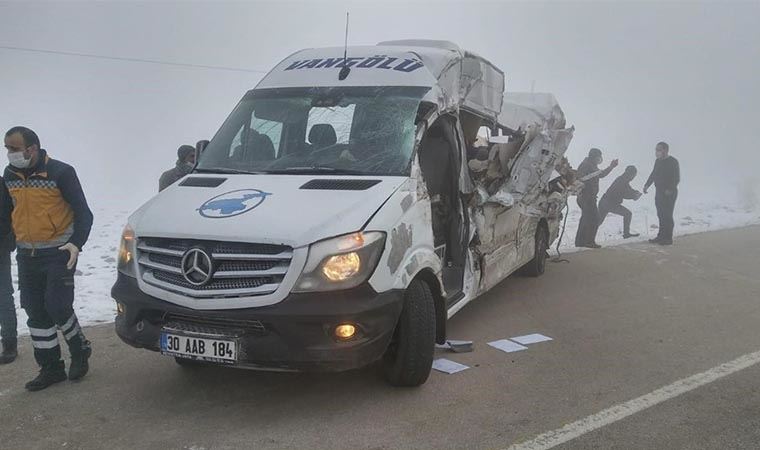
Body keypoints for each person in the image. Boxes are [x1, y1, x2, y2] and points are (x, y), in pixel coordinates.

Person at [4, 126, 94, 391]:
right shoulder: (9, 175)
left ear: (32, 148)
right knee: (35, 311)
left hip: (58, 252)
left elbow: (84, 213)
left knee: (58, 306)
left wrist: (76, 244)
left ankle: (79, 349)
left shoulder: (61, 172)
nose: (9, 154)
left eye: (14, 148)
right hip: (26, 253)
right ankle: (51, 367)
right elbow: (9, 212)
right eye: (6, 148)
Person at [574, 148, 619, 248]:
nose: (600, 159)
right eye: (599, 157)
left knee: (585, 219)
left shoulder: (591, 165)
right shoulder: (586, 165)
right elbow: (580, 178)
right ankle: (589, 241)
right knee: (594, 219)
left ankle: (580, 242)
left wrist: (611, 167)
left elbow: (601, 174)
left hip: (588, 197)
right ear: (594, 157)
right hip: (586, 197)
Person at [644, 141, 680, 245]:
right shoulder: (658, 161)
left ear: (666, 150)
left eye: (659, 150)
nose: (657, 152)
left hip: (669, 193)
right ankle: (660, 236)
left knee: (667, 215)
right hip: (659, 191)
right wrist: (647, 184)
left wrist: (670, 189)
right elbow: (654, 173)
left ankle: (668, 238)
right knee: (660, 215)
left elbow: (676, 178)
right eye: (656, 150)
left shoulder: (673, 161)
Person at [598, 165, 642, 239]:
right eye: (634, 175)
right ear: (631, 174)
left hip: (604, 202)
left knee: (598, 222)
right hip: (609, 203)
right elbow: (624, 193)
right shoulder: (622, 180)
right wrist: (634, 196)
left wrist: (635, 193)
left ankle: (587, 236)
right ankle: (626, 234)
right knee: (628, 214)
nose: (634, 177)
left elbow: (628, 189)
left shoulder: (623, 179)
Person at [0, 177, 16, 364]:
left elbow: (15, 214)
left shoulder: (3, 185)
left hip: (0, 250)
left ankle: (10, 344)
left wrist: (8, 242)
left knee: (4, 296)